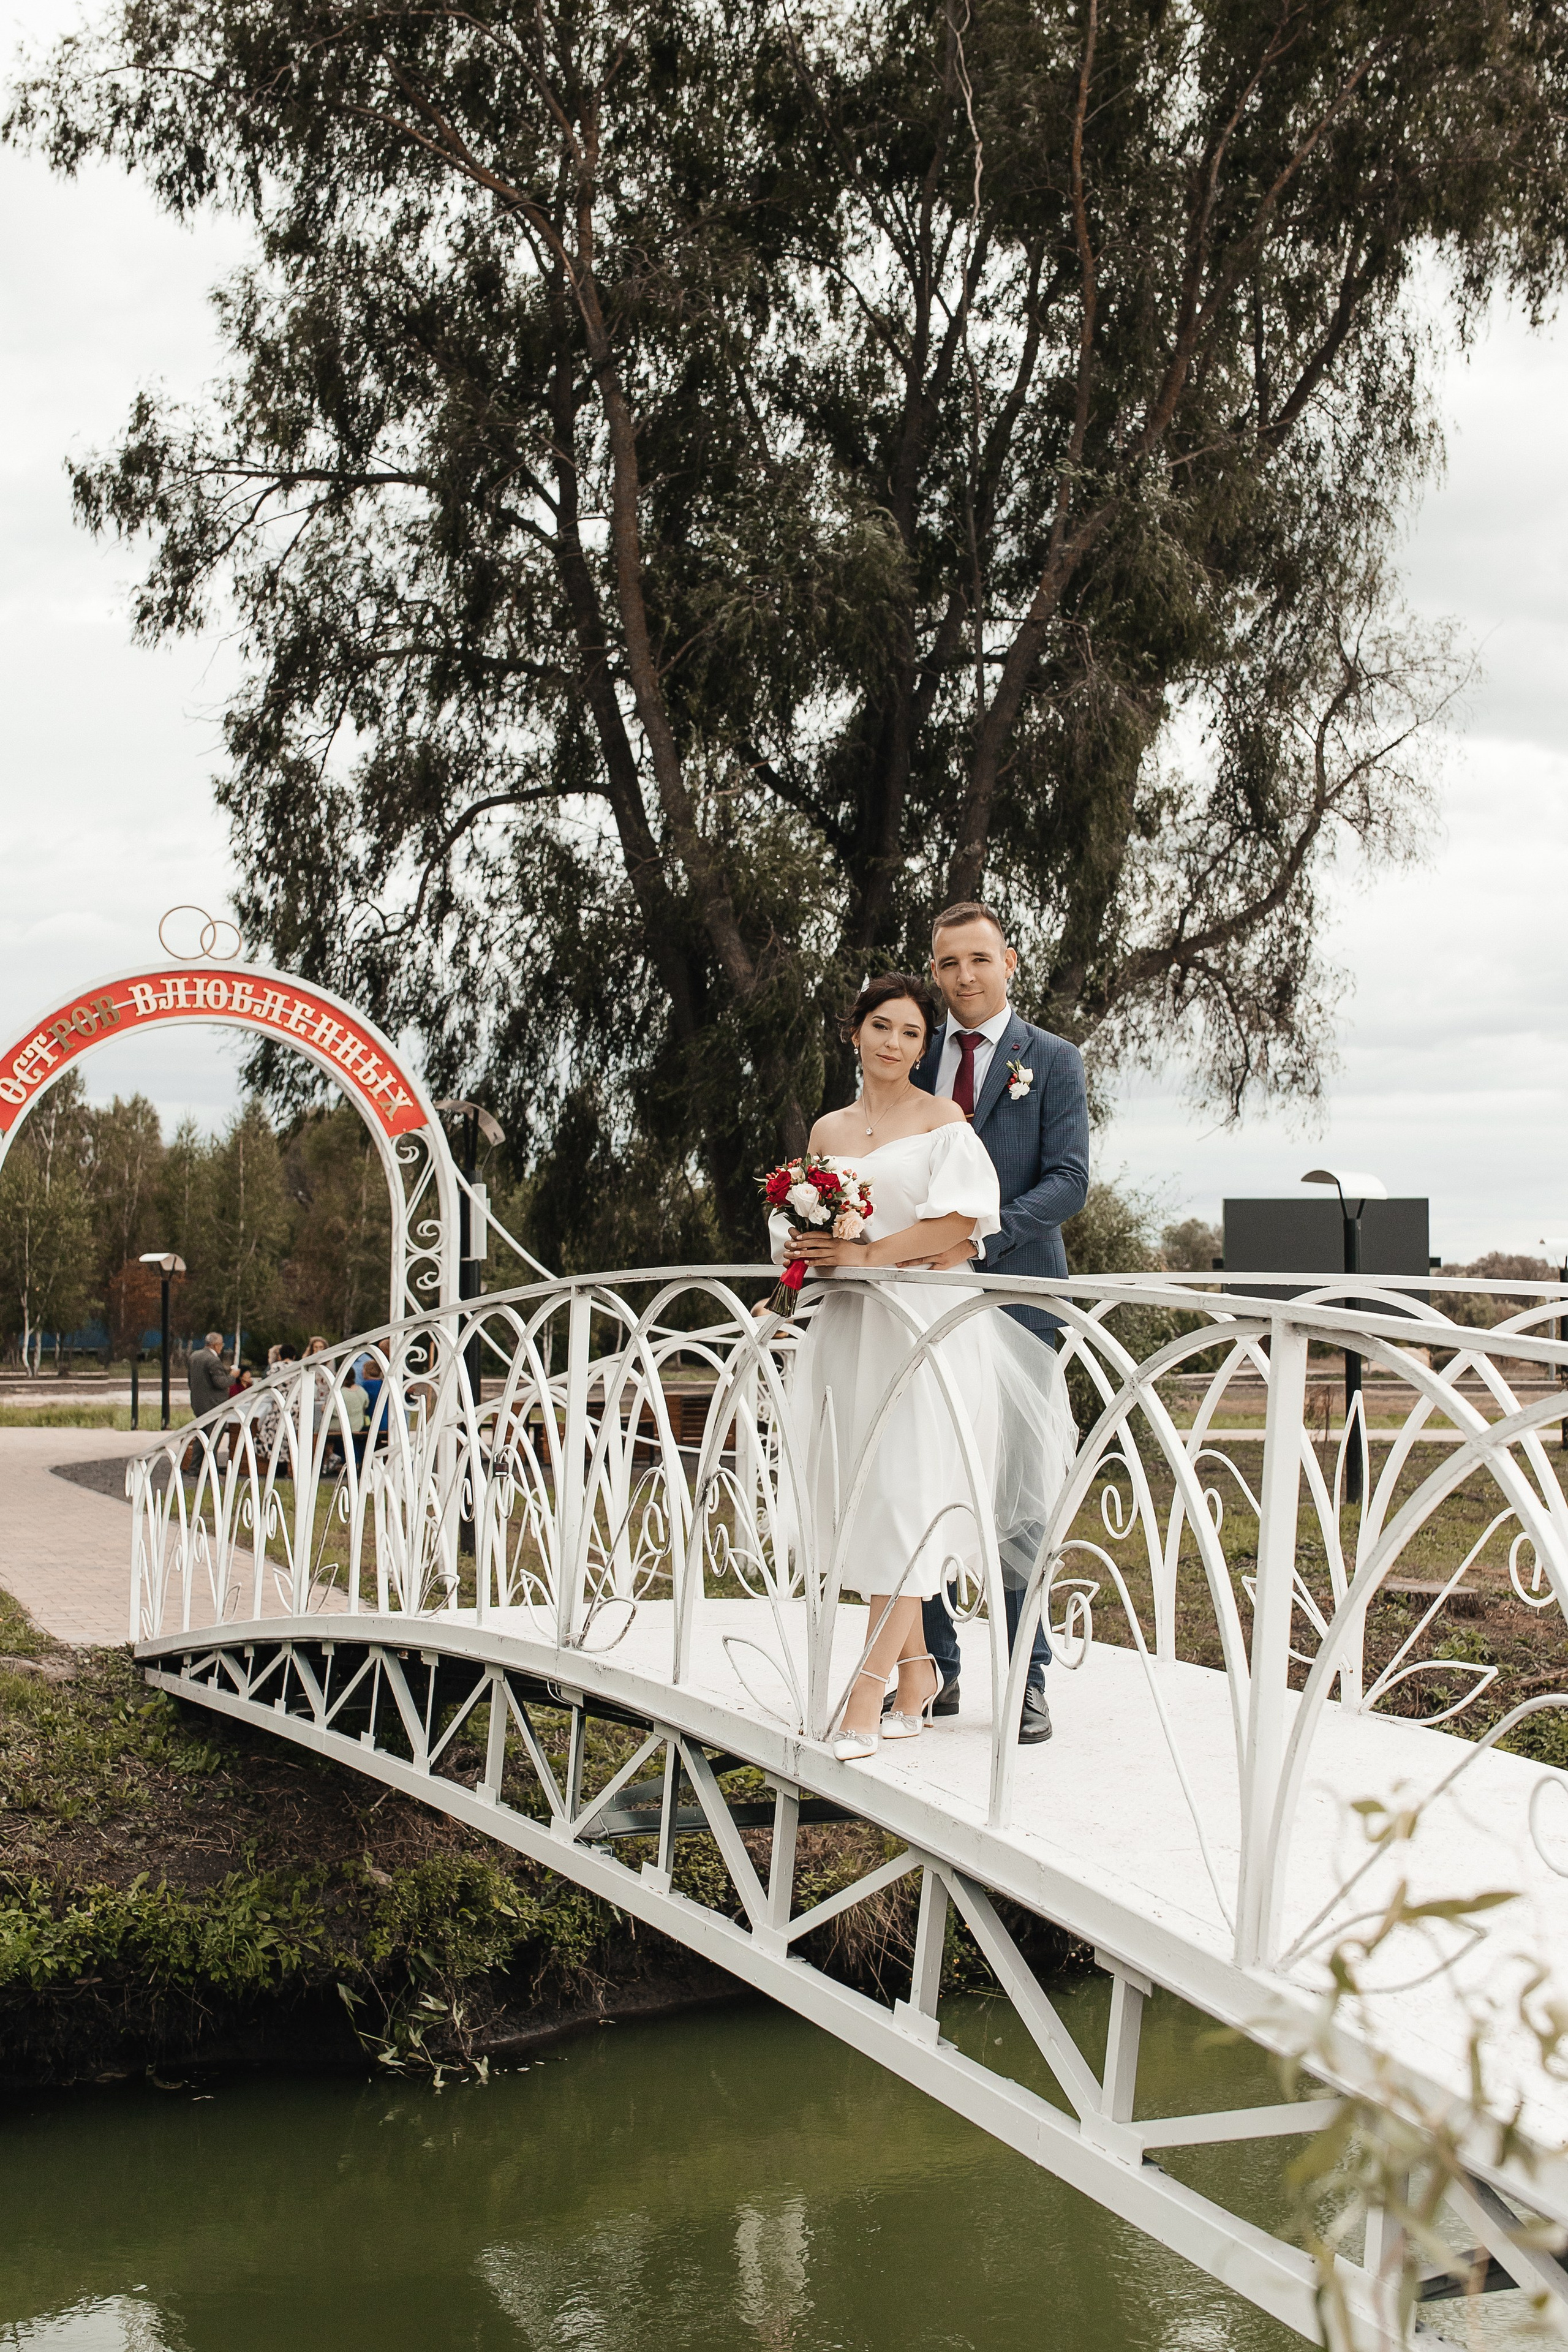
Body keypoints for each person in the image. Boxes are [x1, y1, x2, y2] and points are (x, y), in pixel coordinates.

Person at [771, 974, 1076, 1763]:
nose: (894, 1044)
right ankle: (917, 1678)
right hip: (849, 1328)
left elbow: (958, 1220)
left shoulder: (944, 1120)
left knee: (908, 1496)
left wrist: (867, 1254)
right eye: (881, 1026)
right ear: (855, 1031)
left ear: (923, 1045)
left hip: (919, 1326)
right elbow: (805, 1220)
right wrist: (806, 1257)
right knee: (863, 1494)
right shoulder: (828, 1129)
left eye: (911, 1033)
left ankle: (865, 1700)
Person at [910, 899, 1091, 1744]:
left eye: (978, 960)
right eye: (948, 964)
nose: (964, 978)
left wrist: (977, 1238)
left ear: (1009, 962)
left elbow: (1068, 1182)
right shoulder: (909, 1060)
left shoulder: (1051, 1060)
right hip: (919, 1306)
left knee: (1018, 1496)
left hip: (1018, 1299)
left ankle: (1028, 1675)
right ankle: (936, 1665)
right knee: (929, 1477)